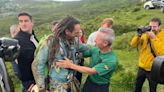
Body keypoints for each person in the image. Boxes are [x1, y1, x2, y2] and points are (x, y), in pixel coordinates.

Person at [32, 16, 88, 92]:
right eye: (76, 32)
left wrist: (99, 47)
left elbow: (85, 48)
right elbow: (38, 64)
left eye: (79, 32)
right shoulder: (50, 42)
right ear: (67, 31)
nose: (79, 35)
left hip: (72, 83)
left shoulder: (75, 40)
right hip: (57, 86)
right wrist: (41, 88)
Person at [56, 28, 118, 92]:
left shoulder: (111, 60)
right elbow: (81, 55)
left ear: (105, 43)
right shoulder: (95, 49)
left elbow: (91, 71)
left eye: (97, 39)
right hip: (89, 81)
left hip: (100, 87)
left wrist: (70, 65)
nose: (95, 40)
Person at [130, 17, 164, 92]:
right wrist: (138, 35)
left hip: (154, 68)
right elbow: (133, 45)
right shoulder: (145, 34)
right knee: (137, 87)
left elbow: (161, 53)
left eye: (154, 27)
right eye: (150, 26)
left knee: (152, 89)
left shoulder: (162, 35)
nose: (152, 28)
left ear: (159, 27)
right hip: (142, 67)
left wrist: (154, 38)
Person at [14, 12, 39, 92]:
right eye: (21, 21)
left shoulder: (33, 37)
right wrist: (28, 83)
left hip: (38, 78)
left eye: (26, 21)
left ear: (32, 22)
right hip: (30, 83)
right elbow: (17, 64)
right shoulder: (17, 40)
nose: (23, 24)